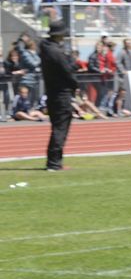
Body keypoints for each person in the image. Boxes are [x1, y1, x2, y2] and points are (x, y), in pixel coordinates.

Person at [39, 20, 78, 171]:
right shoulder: (56, 52)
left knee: (57, 127)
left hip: (53, 93)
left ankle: (55, 161)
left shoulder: (47, 49)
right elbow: (67, 71)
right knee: (60, 128)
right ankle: (54, 163)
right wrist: (75, 84)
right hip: (61, 94)